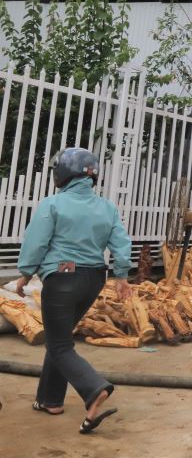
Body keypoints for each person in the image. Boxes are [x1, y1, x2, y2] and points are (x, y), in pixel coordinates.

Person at [15, 148, 131, 434]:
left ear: (64, 173)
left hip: (63, 278)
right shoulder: (107, 208)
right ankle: (49, 400)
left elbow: (36, 242)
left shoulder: (53, 204)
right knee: (60, 337)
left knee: (58, 345)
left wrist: (25, 272)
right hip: (94, 279)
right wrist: (122, 275)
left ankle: (94, 390)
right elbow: (120, 242)